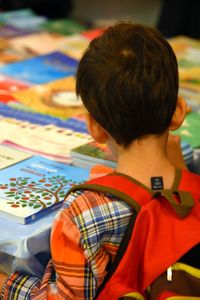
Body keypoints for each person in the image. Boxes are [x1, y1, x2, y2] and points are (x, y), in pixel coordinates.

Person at [0, 22, 196, 299]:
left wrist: (8, 284)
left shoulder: (82, 213)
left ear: (94, 127)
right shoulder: (193, 189)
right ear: (178, 112)